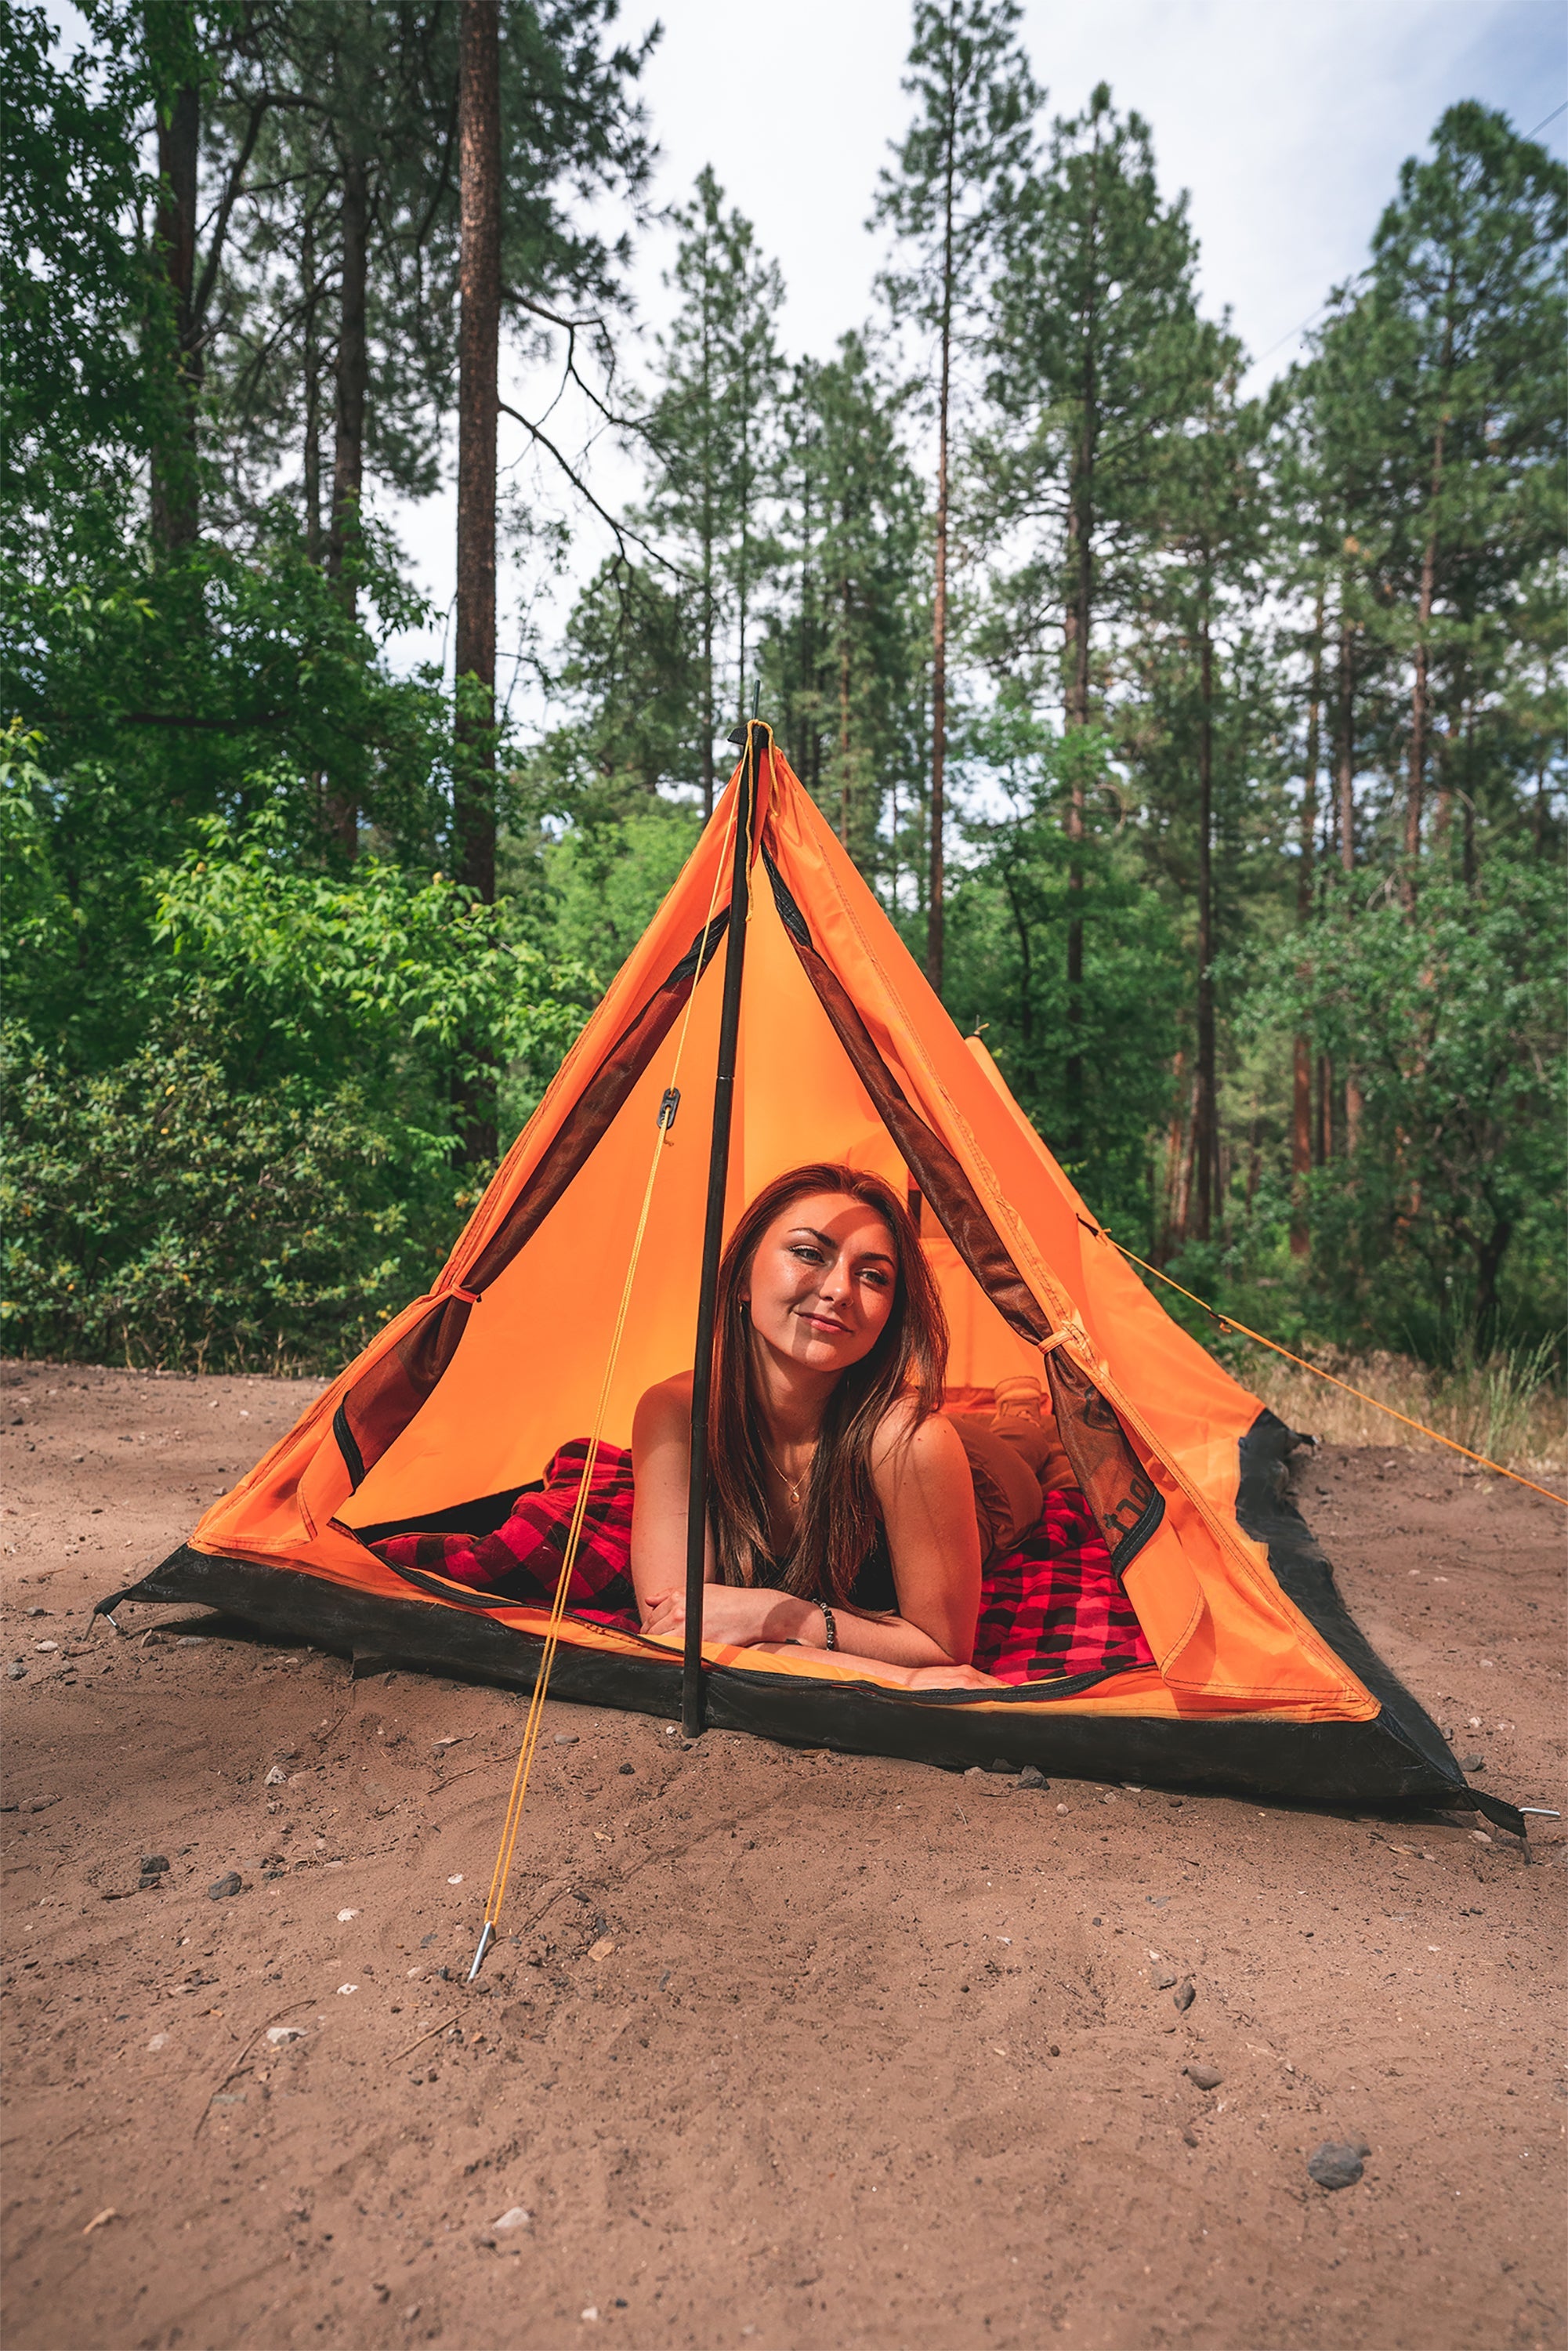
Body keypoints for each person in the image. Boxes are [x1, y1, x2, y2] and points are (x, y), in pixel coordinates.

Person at [631, 1162, 1054, 1690]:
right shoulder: (675, 1414)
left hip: (987, 1486)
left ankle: (1020, 1411)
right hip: (904, 1448)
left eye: (872, 1275)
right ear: (742, 1277)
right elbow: (674, 1627)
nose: (838, 1291)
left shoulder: (915, 1441)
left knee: (1024, 1447)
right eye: (808, 1253)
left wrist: (784, 1619)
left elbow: (944, 1654)